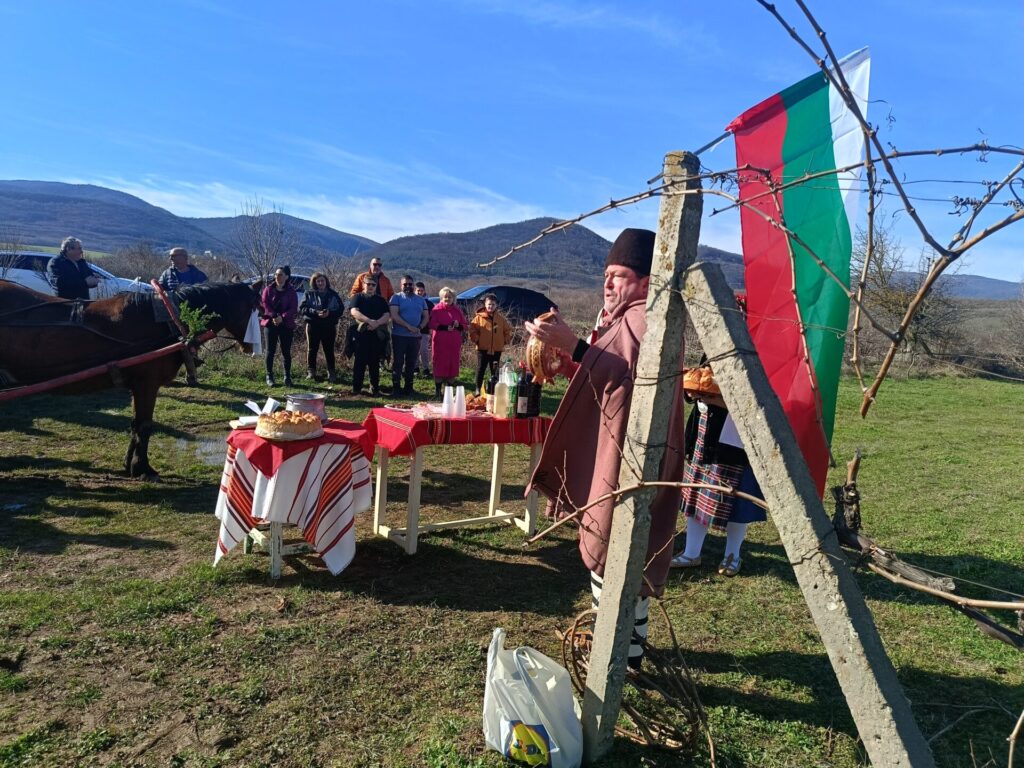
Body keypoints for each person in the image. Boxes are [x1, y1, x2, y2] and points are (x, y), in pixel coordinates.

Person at [526, 228, 684, 672]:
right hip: (627, 455)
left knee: (619, 557)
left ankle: (621, 663)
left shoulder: (645, 318)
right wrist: (574, 360)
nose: (608, 284)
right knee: (618, 562)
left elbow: (634, 379)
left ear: (646, 281)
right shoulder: (632, 317)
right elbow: (615, 372)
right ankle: (621, 654)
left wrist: (574, 346)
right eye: (605, 275)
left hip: (633, 463)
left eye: (619, 275)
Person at [671, 363, 766, 577]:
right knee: (696, 495)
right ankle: (691, 553)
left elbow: (750, 403)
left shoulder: (751, 359)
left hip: (734, 442)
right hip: (703, 434)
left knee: (735, 501)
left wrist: (711, 397)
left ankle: (733, 555)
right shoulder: (711, 354)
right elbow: (698, 384)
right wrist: (693, 391)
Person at [388, 275, 429, 398]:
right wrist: (408, 326)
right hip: (399, 336)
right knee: (398, 362)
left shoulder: (421, 300)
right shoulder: (396, 298)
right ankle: (396, 388)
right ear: (401, 285)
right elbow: (394, 315)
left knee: (411, 363)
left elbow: (426, 316)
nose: (408, 286)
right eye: (405, 284)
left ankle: (409, 388)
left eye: (410, 284)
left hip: (415, 337)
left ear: (413, 285)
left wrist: (420, 327)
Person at [349, 276, 390, 396]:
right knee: (359, 362)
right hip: (360, 334)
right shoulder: (358, 297)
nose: (371, 286)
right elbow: (354, 311)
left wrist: (376, 323)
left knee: (374, 362)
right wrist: (369, 321)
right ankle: (357, 389)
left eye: (373, 285)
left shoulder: (381, 300)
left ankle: (375, 388)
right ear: (363, 284)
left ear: (376, 286)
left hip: (376, 335)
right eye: (368, 284)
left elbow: (387, 315)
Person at [299, 272, 344, 382]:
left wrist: (329, 313)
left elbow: (340, 309)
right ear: (314, 282)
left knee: (329, 350)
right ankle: (311, 372)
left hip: (329, 326)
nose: (320, 283)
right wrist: (315, 312)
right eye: (318, 281)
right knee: (312, 349)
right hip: (313, 325)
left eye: (322, 280)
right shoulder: (309, 294)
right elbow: (302, 308)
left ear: (326, 281)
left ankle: (331, 372)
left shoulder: (333, 294)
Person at [260, 265, 299, 387]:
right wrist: (274, 316)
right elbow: (265, 304)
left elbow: (293, 308)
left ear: (286, 277)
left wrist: (282, 317)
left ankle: (287, 376)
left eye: (280, 274)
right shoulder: (268, 289)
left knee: (286, 351)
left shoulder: (291, 291)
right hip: (270, 323)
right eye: (276, 274)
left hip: (286, 324)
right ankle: (269, 376)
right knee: (270, 351)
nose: (277, 276)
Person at [468, 293, 513, 396]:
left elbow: (507, 331)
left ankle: (494, 390)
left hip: (496, 349)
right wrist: (476, 339)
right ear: (485, 304)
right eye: (489, 304)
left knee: (495, 371)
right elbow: (472, 329)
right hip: (483, 349)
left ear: (496, 305)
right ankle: (478, 389)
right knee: (481, 369)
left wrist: (505, 341)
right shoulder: (479, 318)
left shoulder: (500, 319)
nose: (490, 306)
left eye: (493, 304)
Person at [429, 287, 469, 400]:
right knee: (439, 366)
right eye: (445, 297)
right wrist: (445, 327)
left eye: (450, 297)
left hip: (453, 344)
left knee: (452, 366)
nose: (447, 299)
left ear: (453, 298)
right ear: (441, 298)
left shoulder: (457, 310)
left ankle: (449, 393)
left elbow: (465, 325)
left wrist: (458, 325)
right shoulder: (436, 309)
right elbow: (431, 324)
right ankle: (438, 392)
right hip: (440, 343)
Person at [414, 281, 434, 377]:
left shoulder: (429, 304)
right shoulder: (411, 302)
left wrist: (430, 328)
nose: (420, 292)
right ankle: (415, 368)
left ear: (424, 291)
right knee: (414, 350)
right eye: (418, 290)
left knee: (424, 350)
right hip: (412, 330)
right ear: (415, 290)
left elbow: (432, 317)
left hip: (425, 330)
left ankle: (426, 369)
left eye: (421, 291)